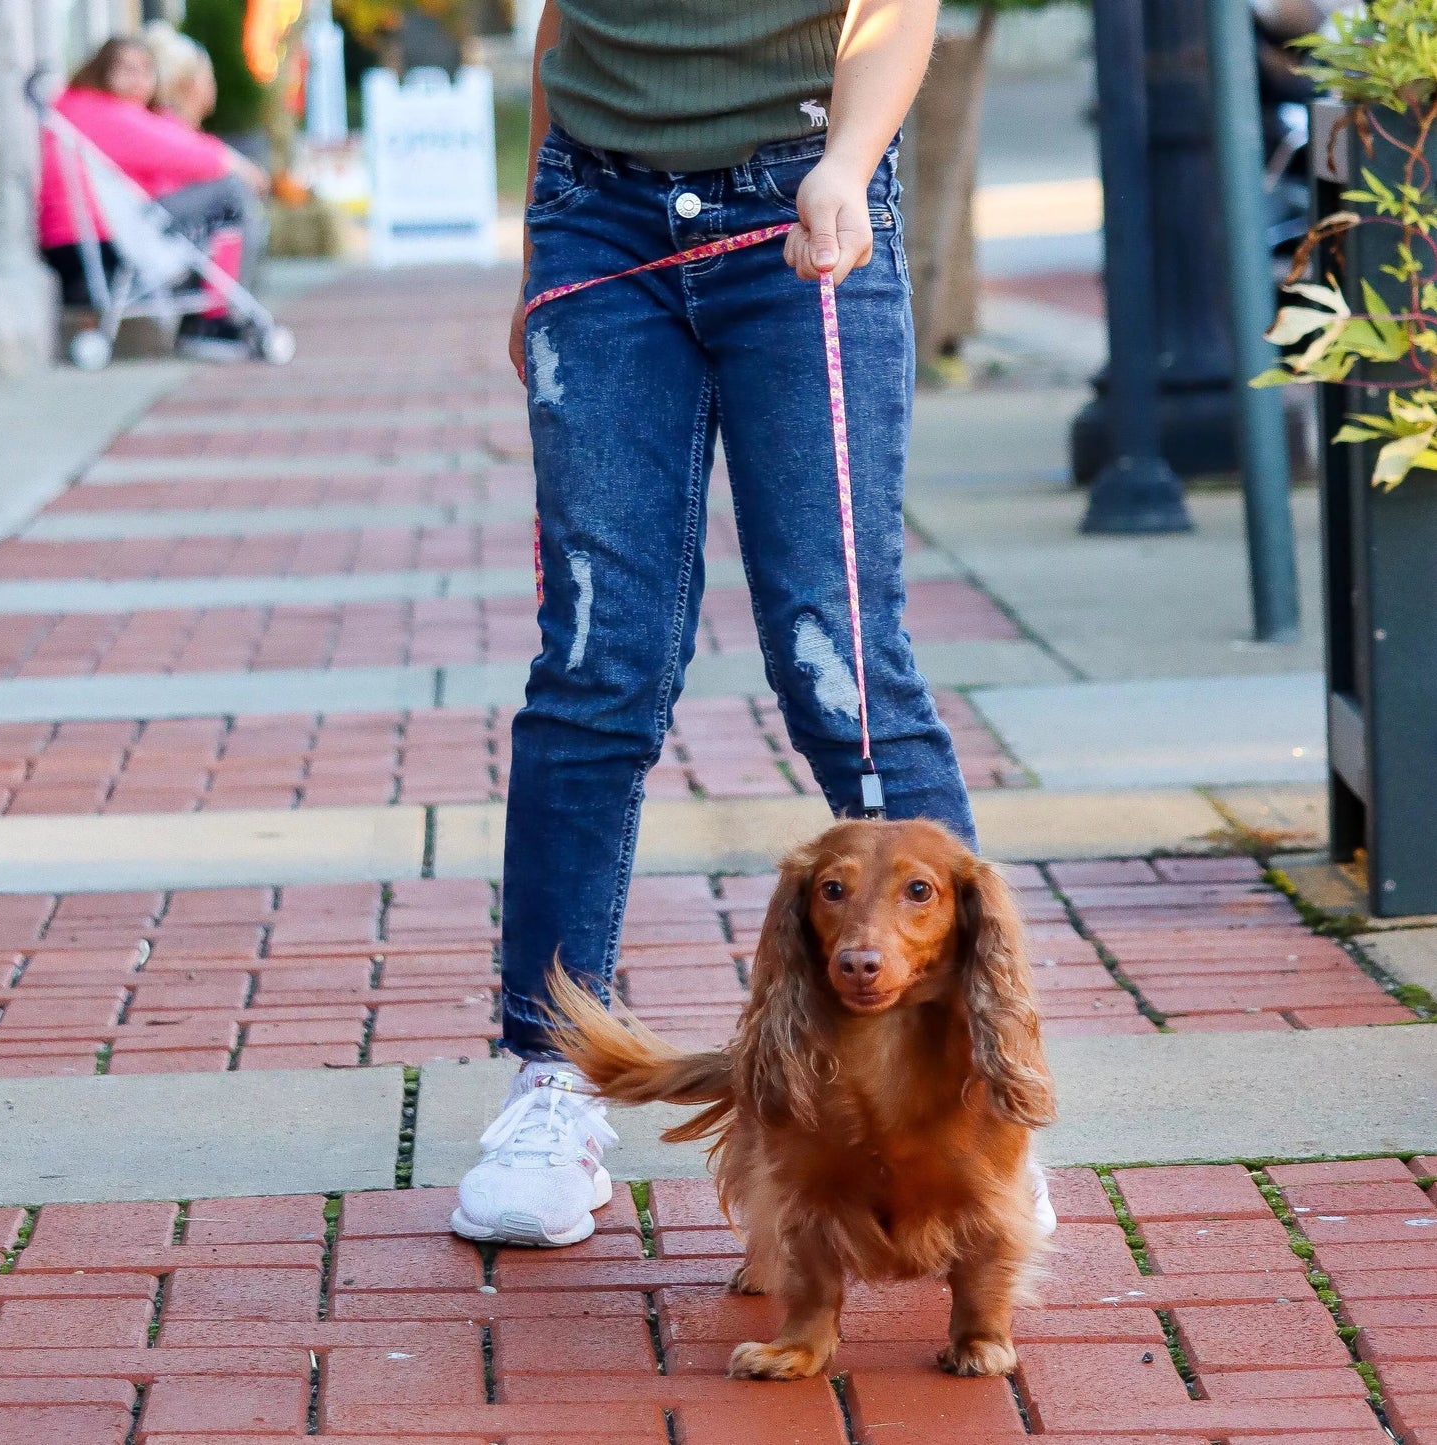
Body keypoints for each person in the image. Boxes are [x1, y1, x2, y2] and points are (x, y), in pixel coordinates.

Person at [452, 0, 1057, 1249]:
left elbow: (893, 11)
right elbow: (561, 26)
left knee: (837, 661)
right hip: (597, 219)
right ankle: (553, 1078)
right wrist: (537, 265)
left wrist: (845, 161)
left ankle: (973, 1097)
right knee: (590, 664)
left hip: (799, 201)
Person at [38, 35, 268, 361]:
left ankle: (210, 312)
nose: (139, 81)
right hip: (99, 249)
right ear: (102, 71)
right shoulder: (102, 112)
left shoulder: (80, 108)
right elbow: (180, 150)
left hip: (80, 245)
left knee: (207, 202)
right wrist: (237, 164)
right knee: (230, 192)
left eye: (147, 71)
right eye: (127, 70)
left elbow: (166, 138)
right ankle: (213, 317)